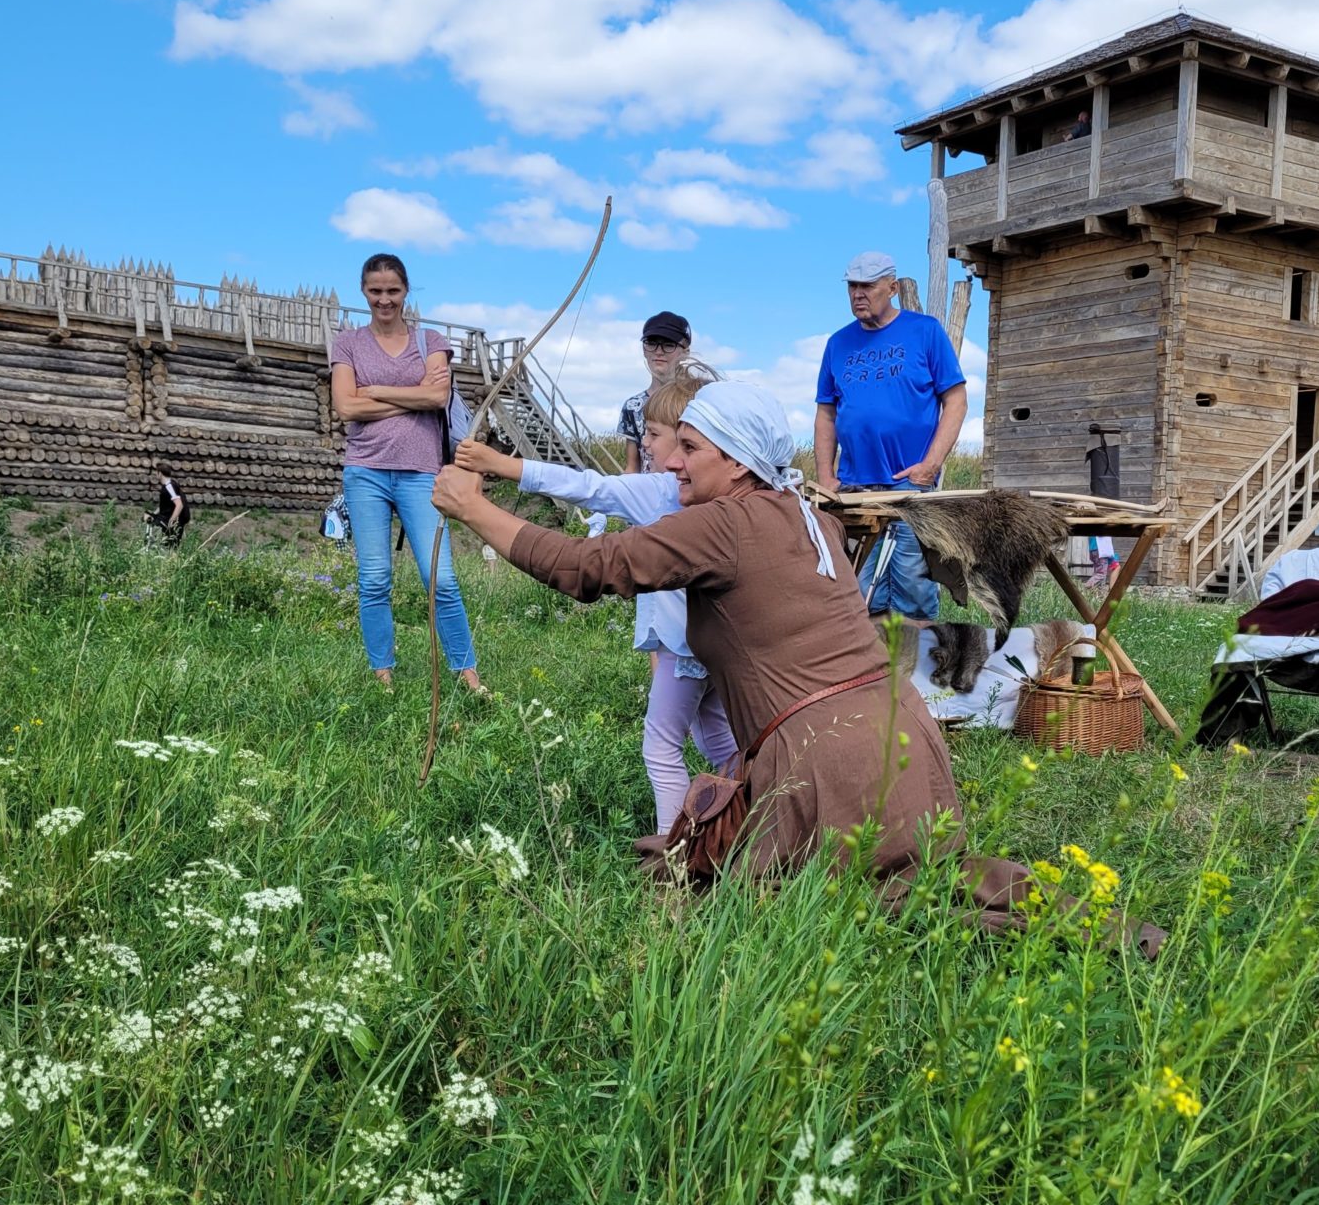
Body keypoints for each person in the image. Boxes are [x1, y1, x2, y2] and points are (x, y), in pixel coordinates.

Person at [431, 385, 1171, 958]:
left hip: (828, 758)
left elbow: (588, 567)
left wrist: (474, 509)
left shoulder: (723, 523)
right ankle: (1091, 922)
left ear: (735, 457)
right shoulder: (807, 515)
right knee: (925, 874)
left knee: (783, 894)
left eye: (688, 447)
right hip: (905, 738)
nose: (668, 461)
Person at [454, 361, 738, 834]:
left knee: (661, 746)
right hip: (712, 651)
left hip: (683, 651)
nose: (644, 443)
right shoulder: (717, 497)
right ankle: (751, 818)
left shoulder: (661, 490)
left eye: (655, 433)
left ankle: (674, 852)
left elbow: (587, 486)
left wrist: (500, 464)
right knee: (719, 743)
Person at [328, 252, 483, 693]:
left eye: (392, 291)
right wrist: (411, 393)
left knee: (443, 578)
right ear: (364, 292)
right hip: (366, 472)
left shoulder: (430, 341)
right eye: (376, 291)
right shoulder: (348, 343)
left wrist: (374, 389)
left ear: (405, 291)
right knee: (374, 579)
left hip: (420, 471)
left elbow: (438, 398)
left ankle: (467, 673)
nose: (384, 300)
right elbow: (345, 406)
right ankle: (383, 675)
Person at [814, 252, 968, 618]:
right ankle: (874, 673)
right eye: (852, 286)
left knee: (912, 594)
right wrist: (825, 476)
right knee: (858, 595)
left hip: (910, 490)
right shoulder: (838, 343)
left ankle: (917, 673)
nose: (858, 294)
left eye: (867, 285)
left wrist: (930, 465)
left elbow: (956, 399)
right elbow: (826, 412)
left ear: (893, 288)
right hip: (854, 493)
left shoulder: (925, 331)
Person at [618, 312, 691, 473]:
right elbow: (632, 467)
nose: (659, 351)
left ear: (686, 351)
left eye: (669, 344)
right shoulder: (632, 406)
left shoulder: (698, 400)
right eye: (651, 343)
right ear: (644, 350)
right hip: (648, 493)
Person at [148, 462, 190, 546]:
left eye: (156, 472)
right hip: (167, 517)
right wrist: (154, 513)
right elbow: (165, 504)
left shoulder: (169, 486)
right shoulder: (168, 485)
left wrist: (171, 521)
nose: (156, 474)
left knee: (172, 547)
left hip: (175, 520)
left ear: (160, 473)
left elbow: (179, 504)